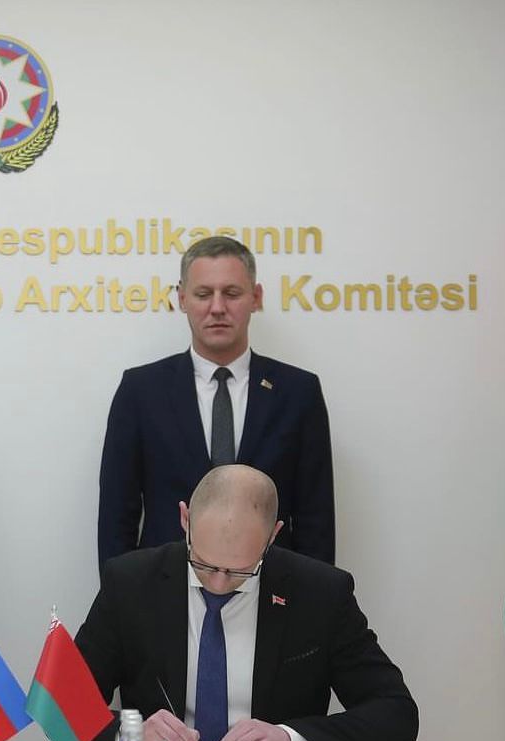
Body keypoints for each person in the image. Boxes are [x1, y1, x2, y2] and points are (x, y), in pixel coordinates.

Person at [77, 464, 417, 741]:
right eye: (203, 564)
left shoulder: (320, 593)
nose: (218, 582)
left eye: (240, 570)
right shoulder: (130, 583)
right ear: (185, 519)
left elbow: (396, 712)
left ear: (273, 536)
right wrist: (131, 733)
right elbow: (60, 708)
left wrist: (289, 738)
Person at [98, 236, 335, 567]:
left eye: (232, 293)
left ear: (256, 297)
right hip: (163, 587)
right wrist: (122, 592)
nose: (218, 307)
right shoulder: (140, 390)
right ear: (182, 298)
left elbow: (316, 520)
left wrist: (312, 596)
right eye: (203, 294)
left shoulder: (298, 392)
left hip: (273, 588)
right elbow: (116, 517)